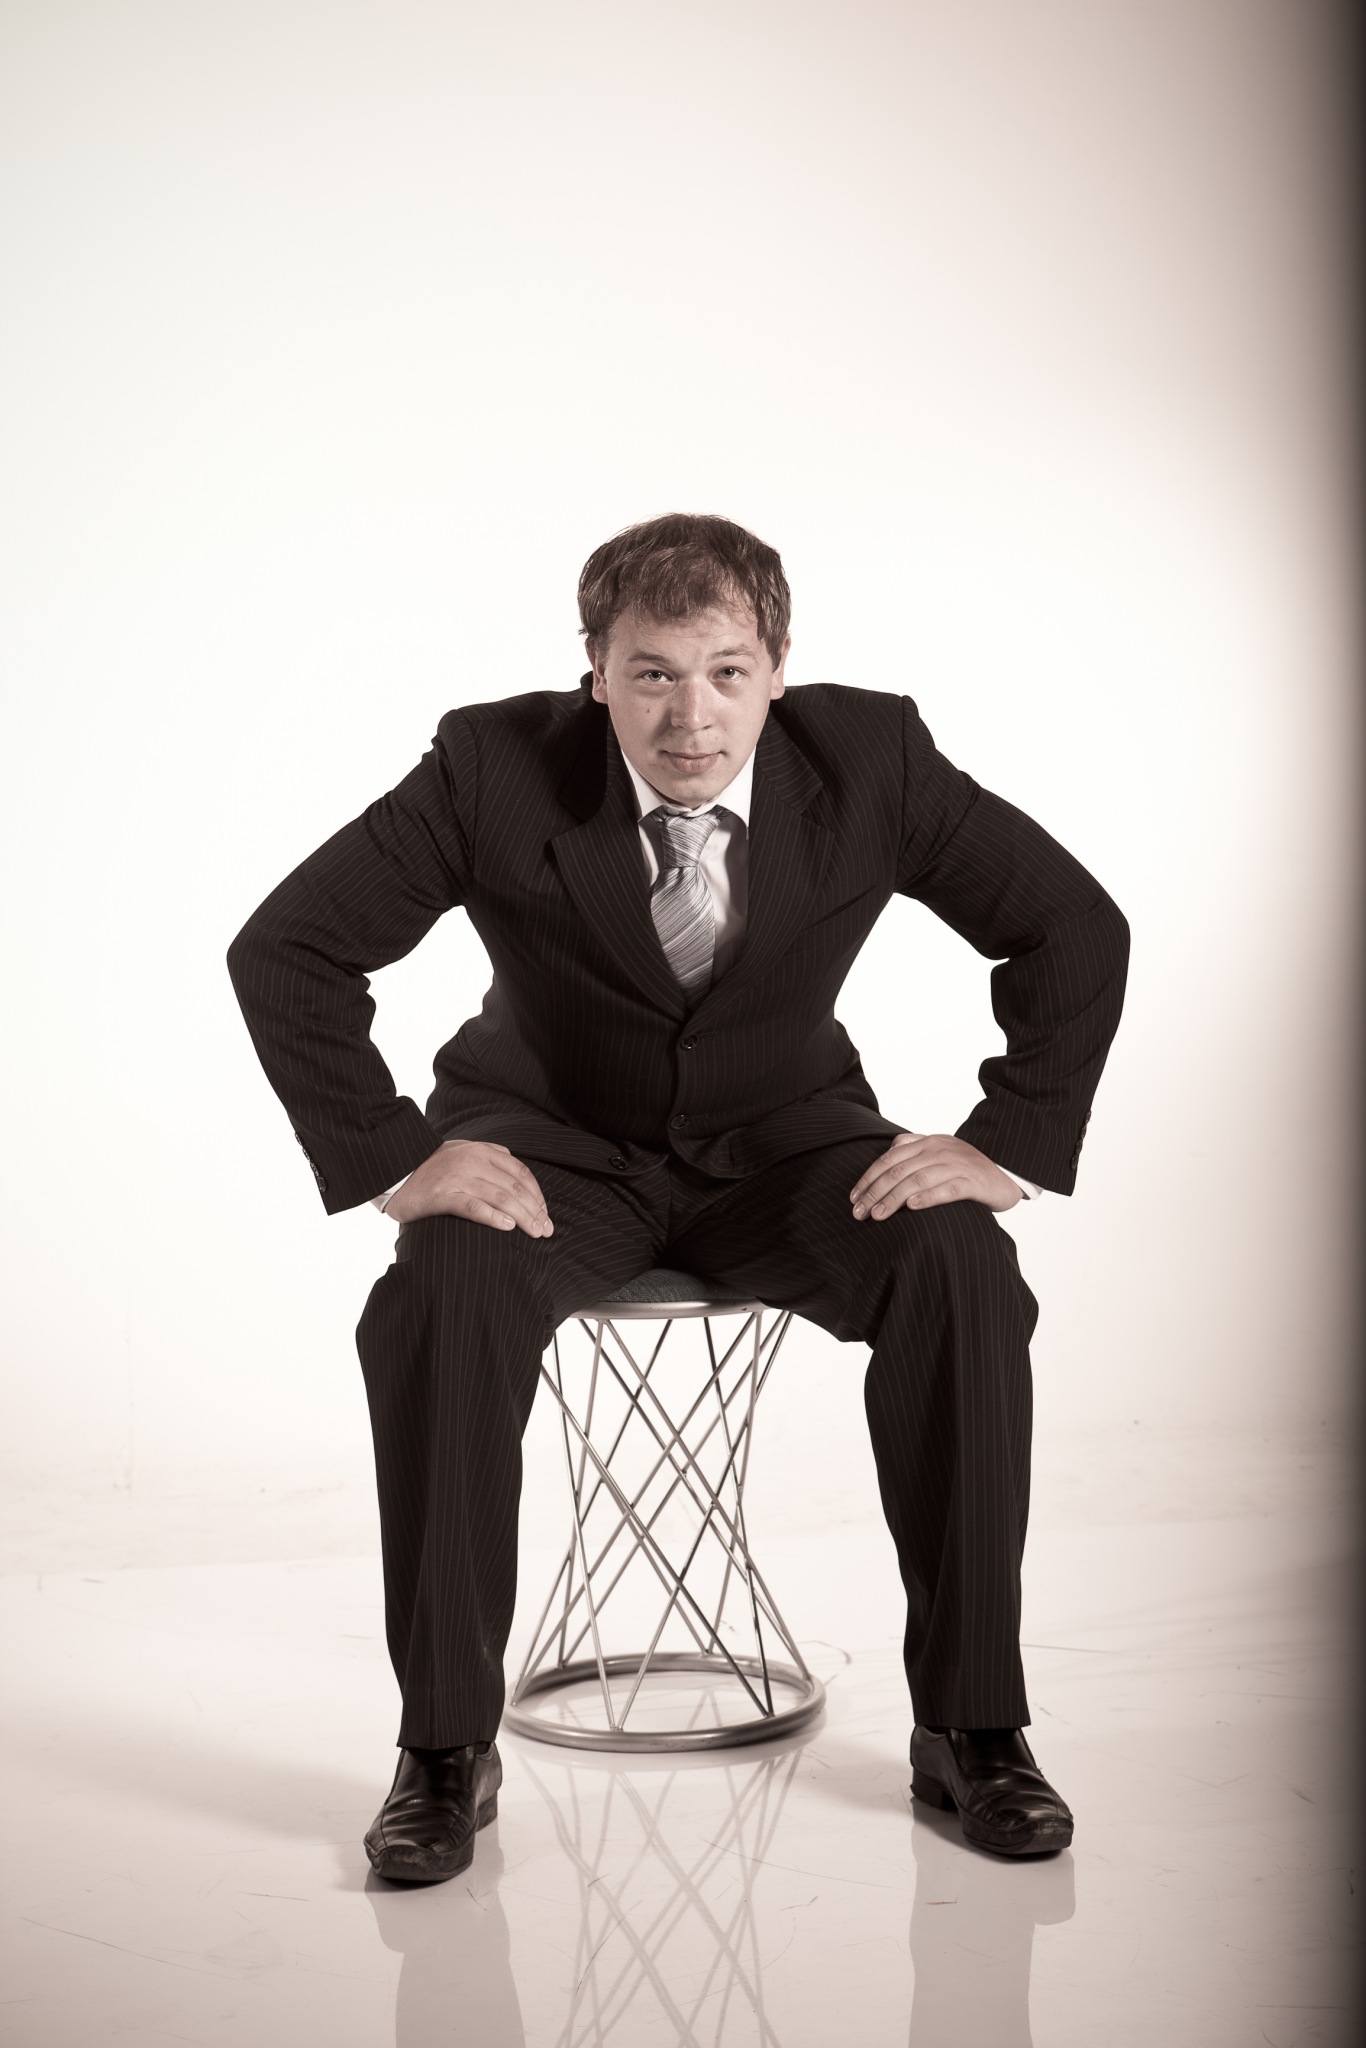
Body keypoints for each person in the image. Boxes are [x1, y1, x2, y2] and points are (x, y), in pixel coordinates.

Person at [228, 513, 1128, 1885]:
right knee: (444, 1285)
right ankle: (443, 1752)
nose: (689, 717)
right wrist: (399, 1160)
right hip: (551, 1152)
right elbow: (289, 947)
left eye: (724, 672)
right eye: (651, 673)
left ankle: (972, 1730)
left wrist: (1006, 1143)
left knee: (957, 1259)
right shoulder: (490, 768)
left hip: (788, 1151)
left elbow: (1069, 924)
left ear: (778, 670)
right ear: (594, 672)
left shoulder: (874, 759)